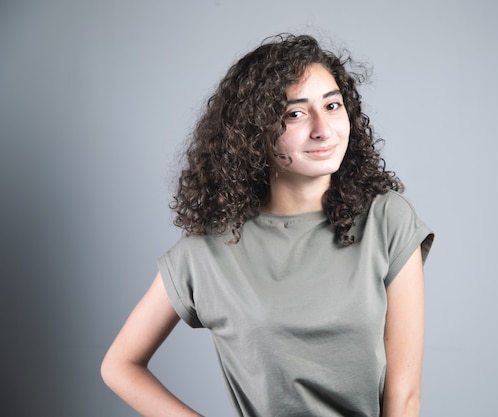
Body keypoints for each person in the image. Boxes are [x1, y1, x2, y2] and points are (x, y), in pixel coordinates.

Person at [101, 33, 434, 417]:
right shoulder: (205, 252)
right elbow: (119, 366)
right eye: (295, 113)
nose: (323, 129)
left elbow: (405, 399)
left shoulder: (387, 220)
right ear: (254, 132)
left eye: (332, 105)